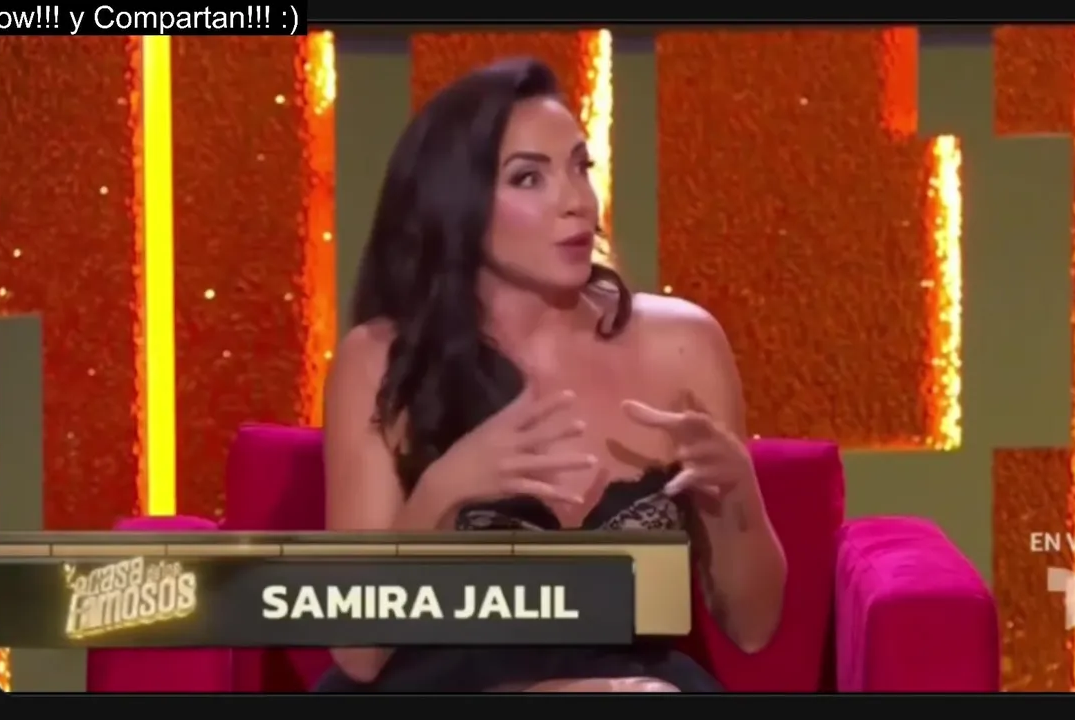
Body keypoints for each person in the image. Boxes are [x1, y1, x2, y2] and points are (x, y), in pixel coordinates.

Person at [317, 57, 786, 693]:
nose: (577, 201)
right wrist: (445, 489)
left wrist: (738, 496)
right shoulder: (380, 358)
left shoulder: (684, 345)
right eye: (529, 178)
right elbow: (358, 653)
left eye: (580, 167)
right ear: (457, 204)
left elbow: (754, 629)